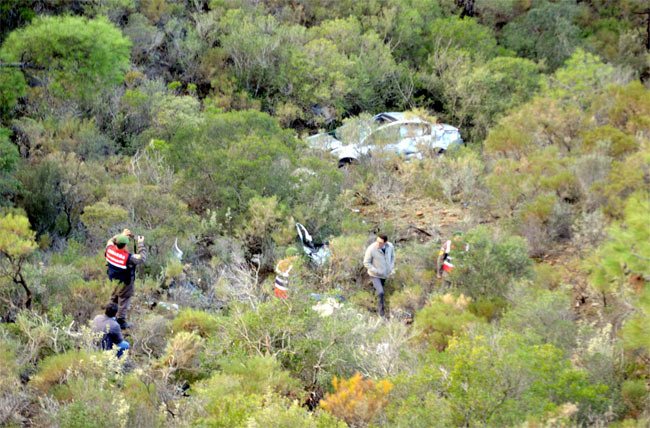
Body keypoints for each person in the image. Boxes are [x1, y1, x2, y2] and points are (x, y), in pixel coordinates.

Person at [106, 228, 147, 329]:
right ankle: (121, 321)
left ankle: (110, 315)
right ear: (125, 245)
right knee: (124, 300)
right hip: (125, 282)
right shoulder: (128, 258)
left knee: (114, 297)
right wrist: (140, 243)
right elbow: (142, 258)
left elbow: (110, 241)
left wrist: (122, 235)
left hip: (113, 280)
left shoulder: (109, 249)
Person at [363, 234, 395, 317]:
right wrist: (375, 271)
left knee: (377, 290)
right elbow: (366, 262)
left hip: (385, 274)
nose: (378, 244)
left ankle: (371, 301)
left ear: (385, 242)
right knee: (381, 292)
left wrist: (390, 267)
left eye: (380, 242)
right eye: (377, 241)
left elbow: (392, 256)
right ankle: (381, 313)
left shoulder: (390, 246)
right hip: (374, 275)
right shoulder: (371, 248)